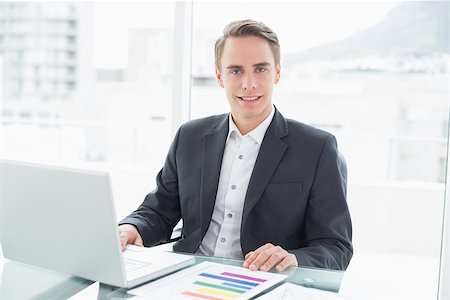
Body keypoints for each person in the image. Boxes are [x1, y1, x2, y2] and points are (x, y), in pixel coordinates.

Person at [119, 19, 352, 272]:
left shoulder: (317, 149)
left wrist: (293, 259)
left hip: (261, 283)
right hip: (186, 277)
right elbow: (159, 210)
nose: (248, 84)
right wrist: (132, 227)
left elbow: (335, 247)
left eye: (260, 69)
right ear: (220, 76)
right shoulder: (190, 137)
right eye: (236, 71)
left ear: (277, 73)